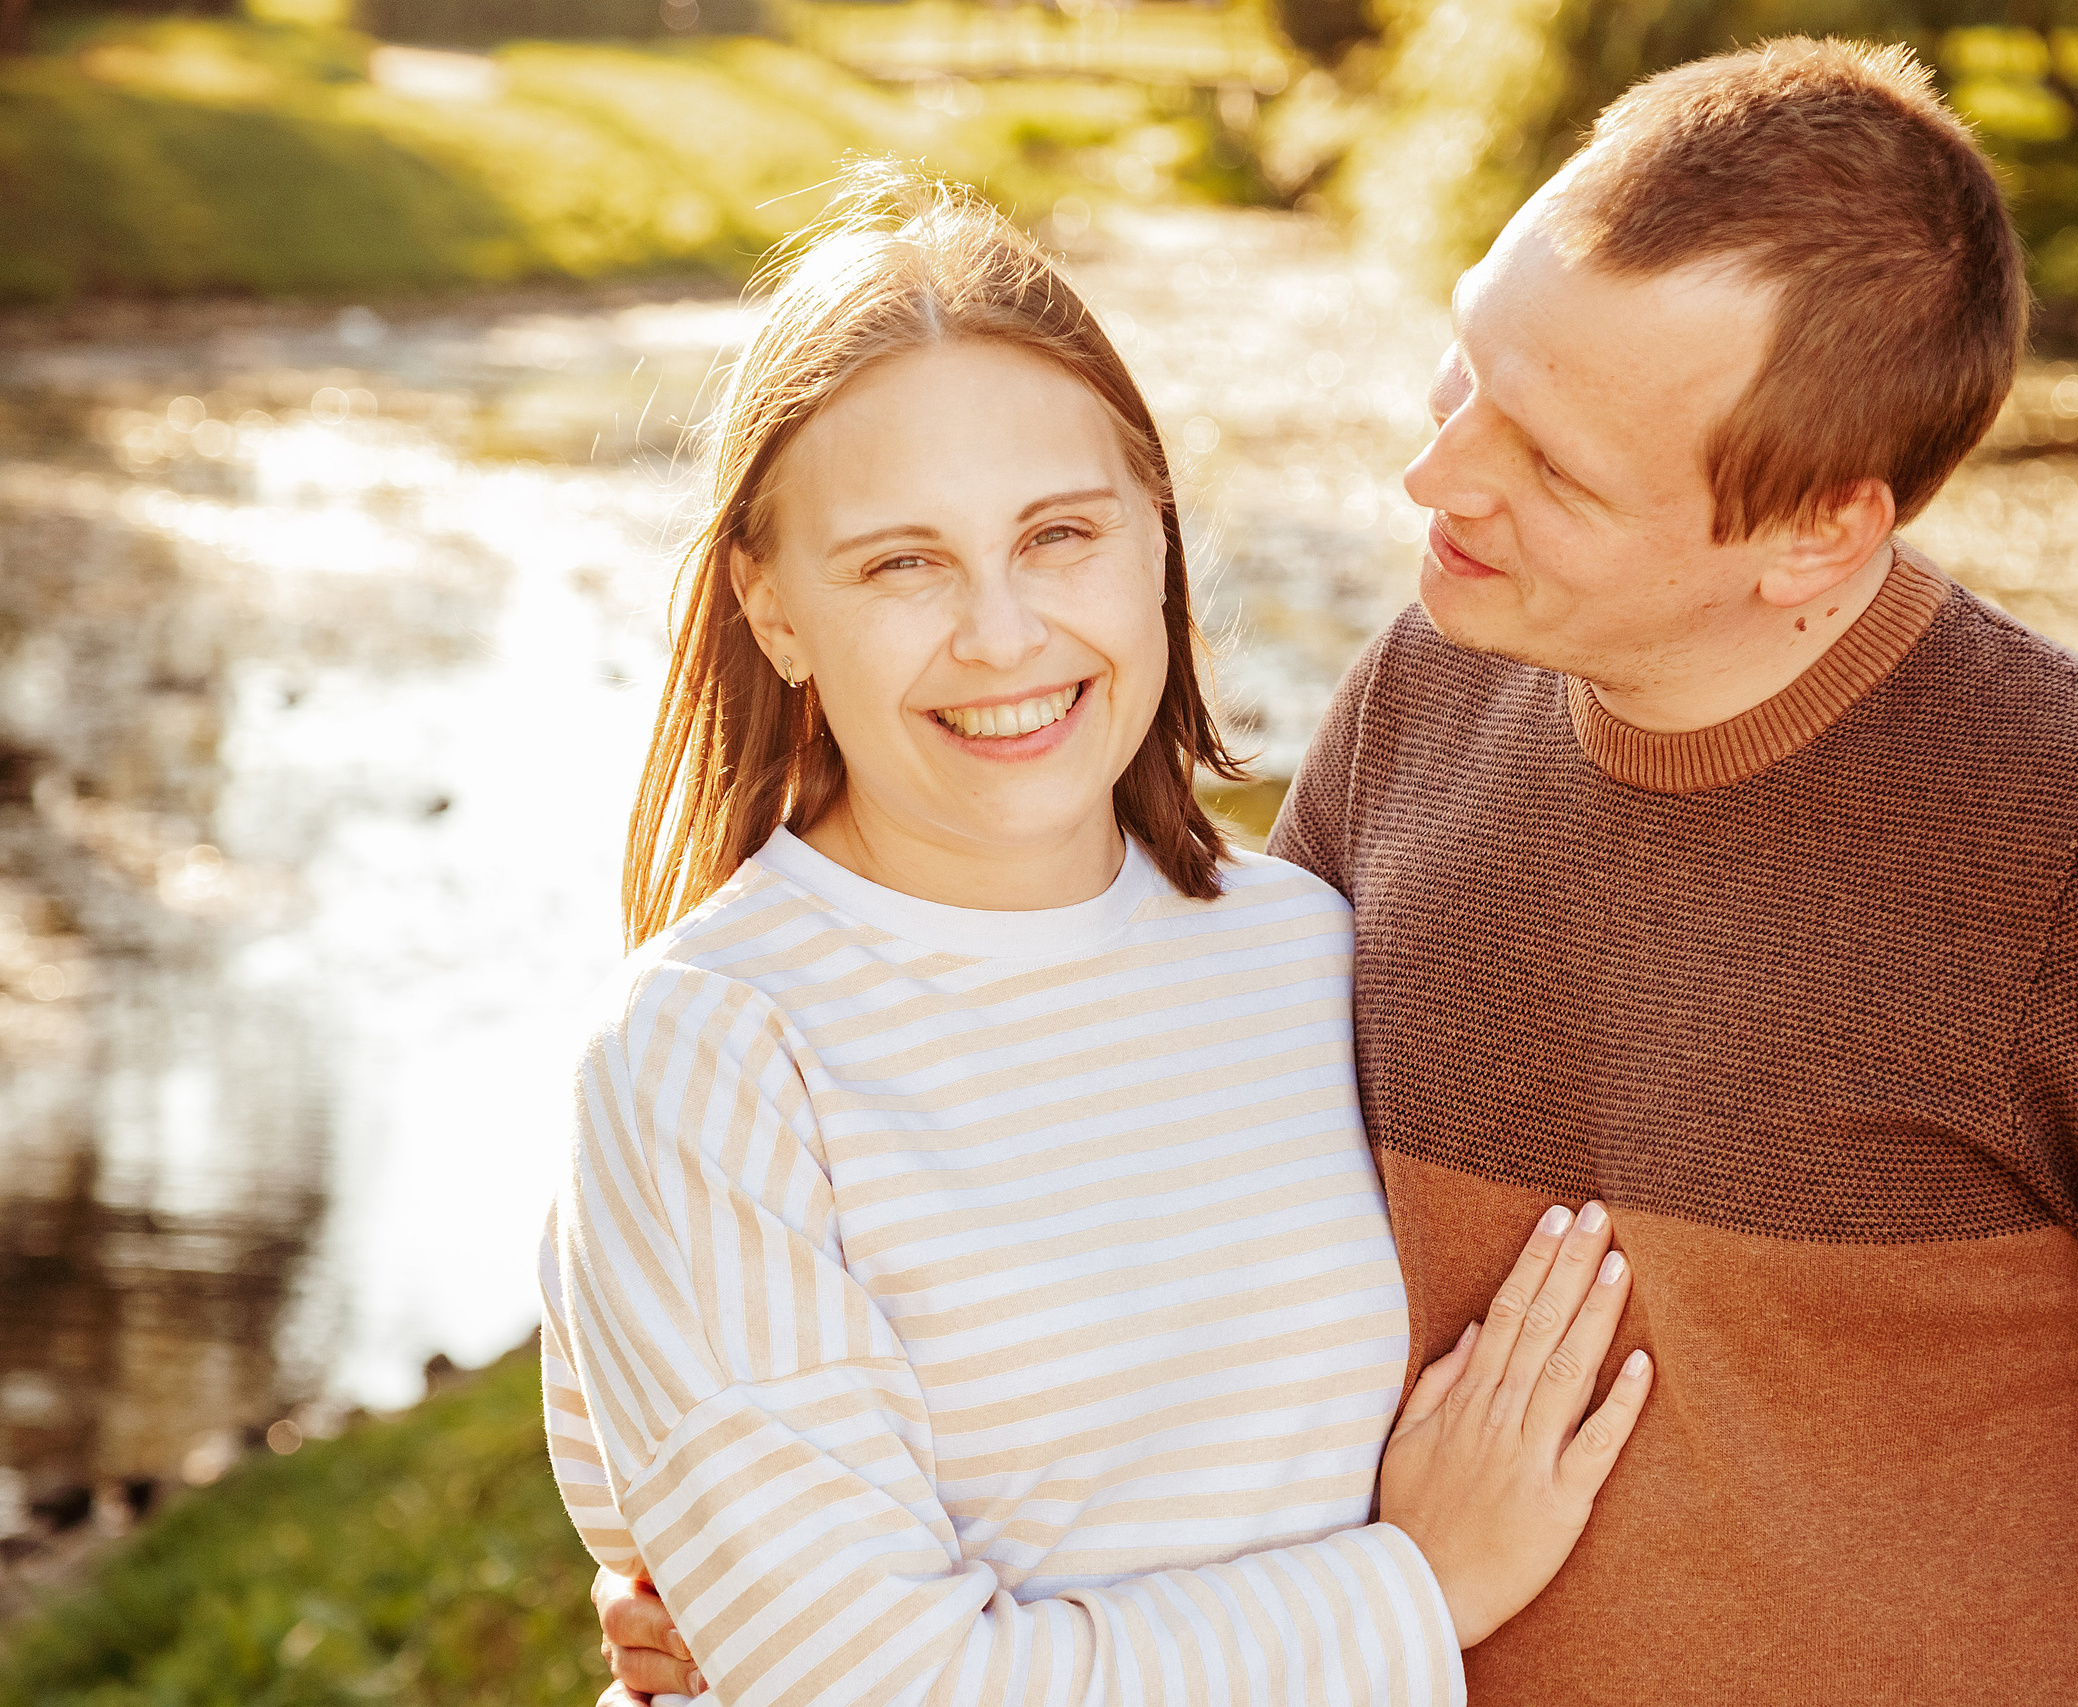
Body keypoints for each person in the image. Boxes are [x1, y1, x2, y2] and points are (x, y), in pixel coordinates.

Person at [599, 35, 2078, 1705]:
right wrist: (783, 1588)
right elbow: (1144, 1204)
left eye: (1547, 462)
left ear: (1809, 532)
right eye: (1466, 370)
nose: (1433, 480)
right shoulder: (1421, 712)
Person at [541, 173, 1658, 1707]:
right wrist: (1413, 1590)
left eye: (1059, 535)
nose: (1002, 635)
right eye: (900, 562)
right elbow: (881, 1691)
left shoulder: (1311, 954)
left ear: (1156, 538)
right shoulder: (711, 1056)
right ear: (774, 607)